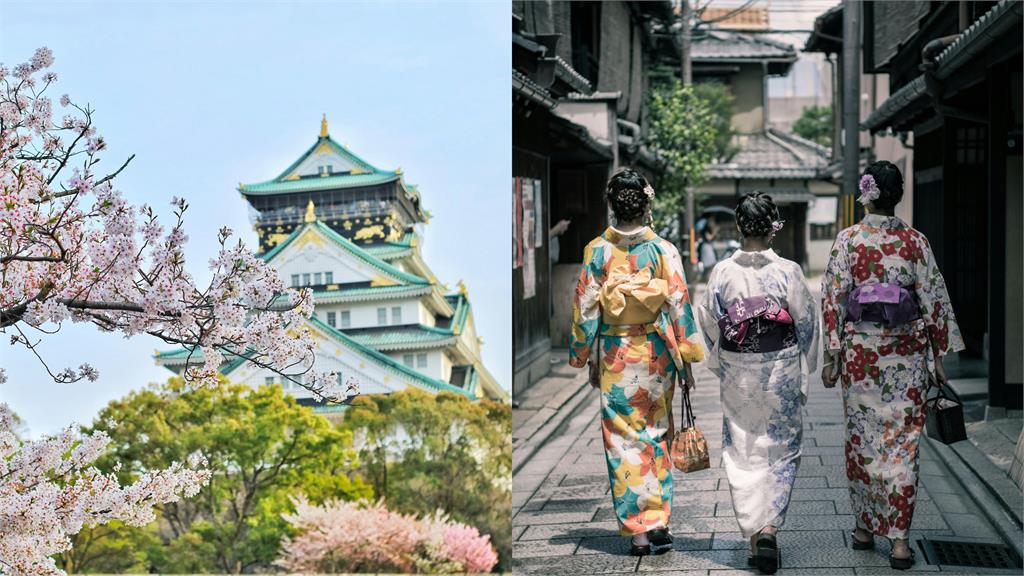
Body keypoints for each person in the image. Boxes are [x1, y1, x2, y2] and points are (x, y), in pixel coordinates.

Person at [821, 160, 964, 571]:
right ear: (897, 195)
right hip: (906, 356)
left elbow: (833, 301)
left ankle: (865, 528)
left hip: (861, 356)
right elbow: (934, 299)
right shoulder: (915, 242)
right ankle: (899, 540)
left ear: (865, 194)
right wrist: (939, 357)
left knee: (863, 440)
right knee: (903, 446)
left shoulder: (848, 241)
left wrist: (832, 358)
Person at [568, 168, 704, 556]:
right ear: (646, 205)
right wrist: (688, 357)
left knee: (623, 440)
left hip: (615, 352)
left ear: (612, 205)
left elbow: (585, 308)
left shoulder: (598, 250)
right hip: (657, 350)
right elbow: (679, 303)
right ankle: (659, 521)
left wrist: (583, 353)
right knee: (657, 432)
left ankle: (639, 532)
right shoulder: (663, 249)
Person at [696, 192, 820, 575]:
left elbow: (708, 320)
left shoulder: (722, 272)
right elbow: (805, 323)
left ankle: (754, 535)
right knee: (781, 448)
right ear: (773, 226)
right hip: (779, 366)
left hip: (738, 366)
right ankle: (769, 528)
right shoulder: (788, 271)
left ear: (739, 227)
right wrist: (807, 362)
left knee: (743, 446)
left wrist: (723, 354)